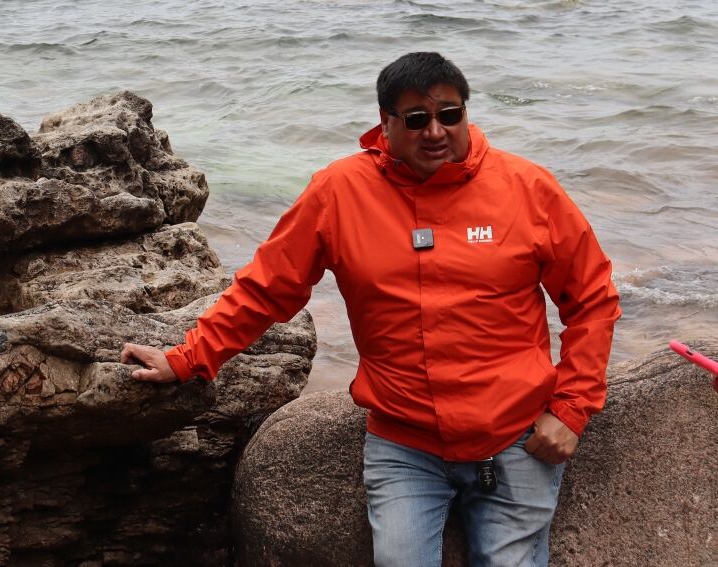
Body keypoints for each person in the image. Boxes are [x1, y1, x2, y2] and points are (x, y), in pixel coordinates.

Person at [121, 52, 621, 566]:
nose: (435, 131)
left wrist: (571, 409)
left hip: (518, 438)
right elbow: (265, 289)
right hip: (405, 445)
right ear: (386, 123)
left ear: (466, 114)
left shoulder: (527, 188)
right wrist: (187, 358)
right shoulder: (339, 191)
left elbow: (592, 298)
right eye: (417, 119)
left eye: (450, 115)